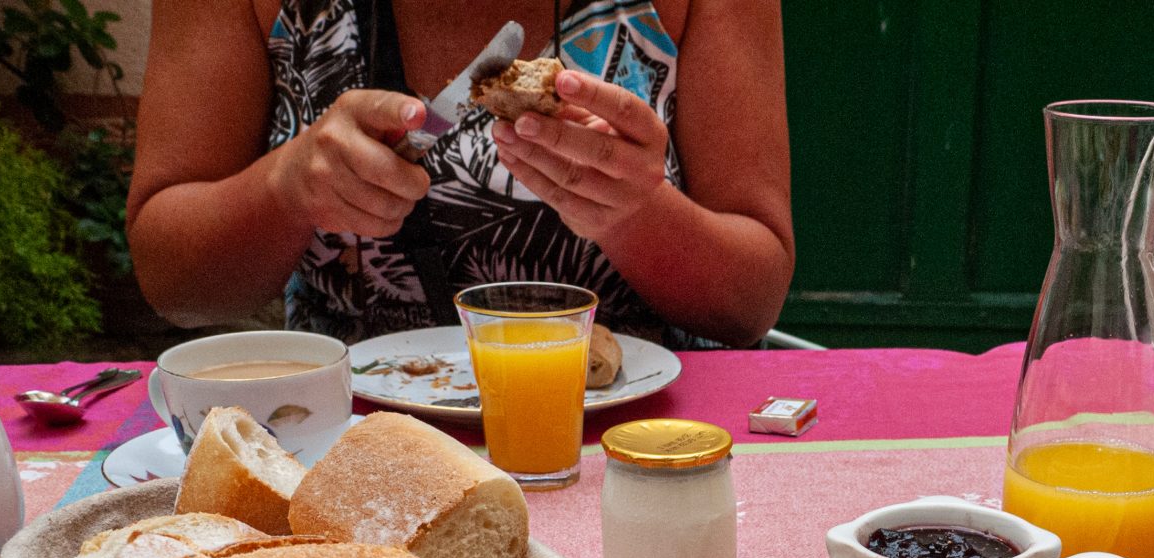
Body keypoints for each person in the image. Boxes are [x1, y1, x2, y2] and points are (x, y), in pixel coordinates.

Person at [127, 0, 794, 346]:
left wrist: (633, 209)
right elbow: (173, 281)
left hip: (639, 453)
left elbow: (750, 301)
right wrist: (287, 188)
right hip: (349, 452)